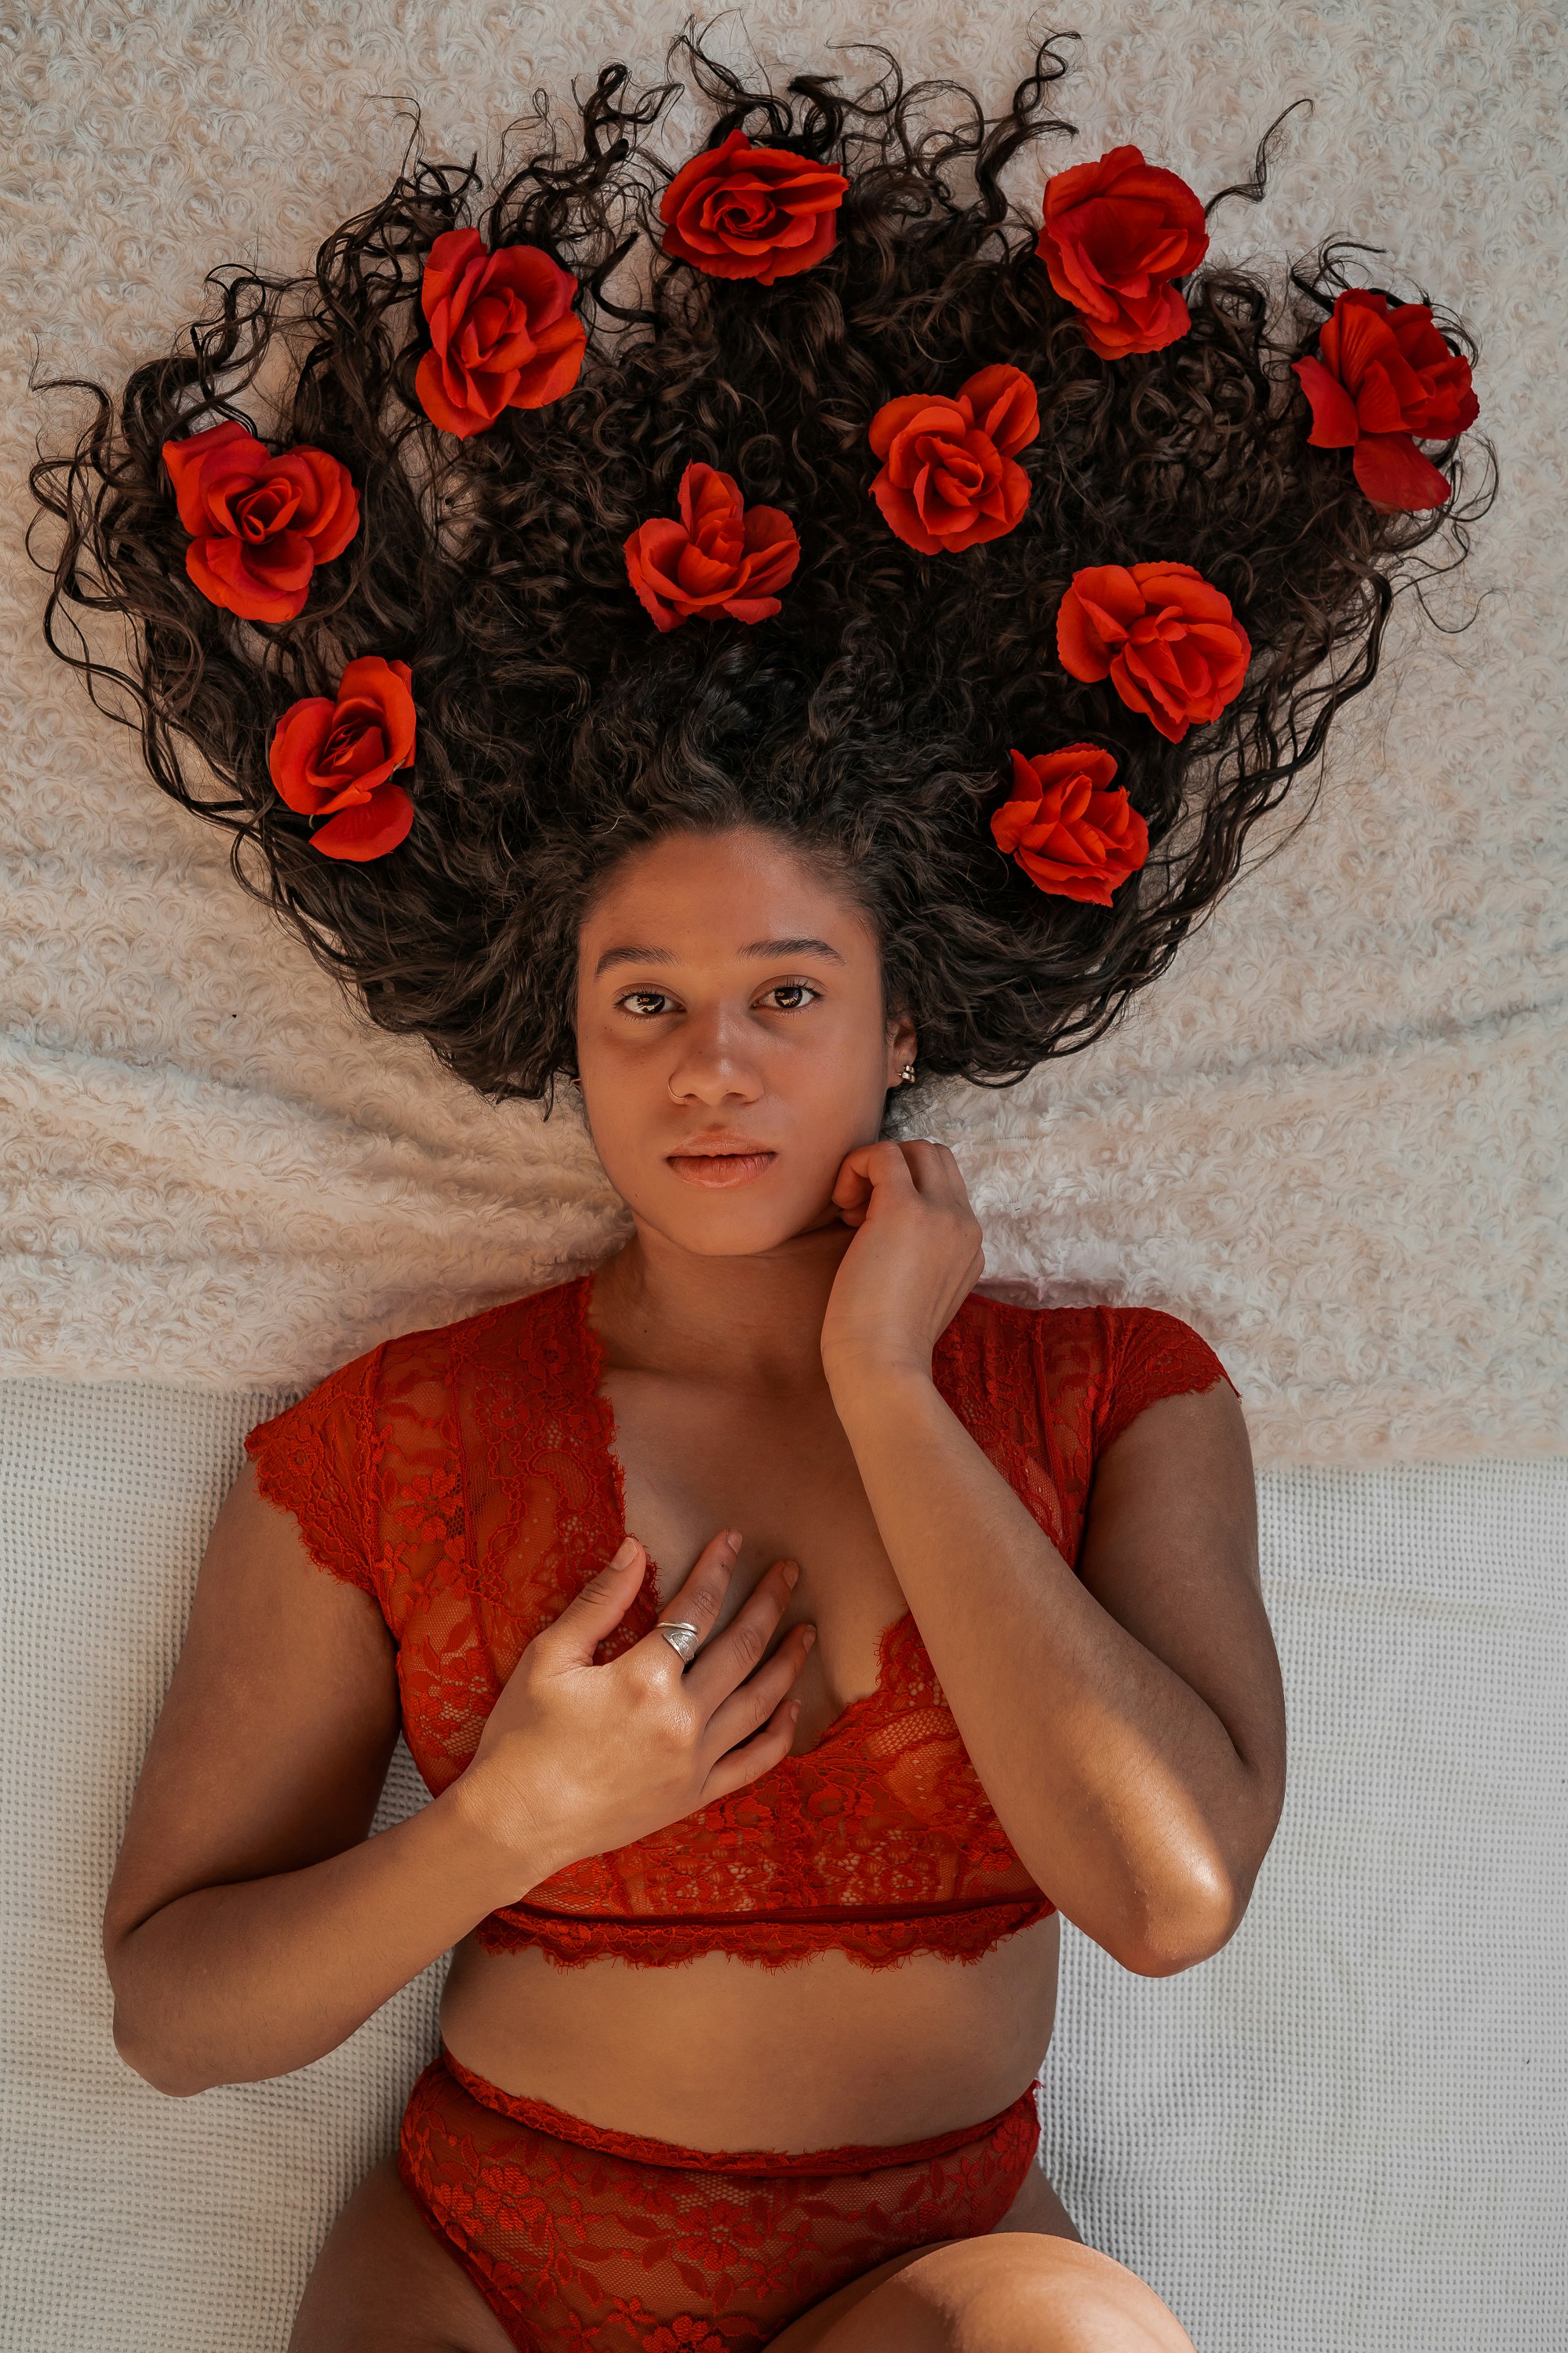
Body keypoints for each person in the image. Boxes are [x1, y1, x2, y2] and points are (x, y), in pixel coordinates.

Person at [29, 33, 1486, 2351]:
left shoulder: (1116, 1395)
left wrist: (895, 1384)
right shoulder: (383, 1441)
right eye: (642, 1004)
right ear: (562, 1027)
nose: (712, 1068)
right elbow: (175, 2018)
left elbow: (1172, 1892)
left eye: (787, 995)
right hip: (491, 2266)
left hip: (920, 2277)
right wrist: (510, 1821)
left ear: (902, 1018)